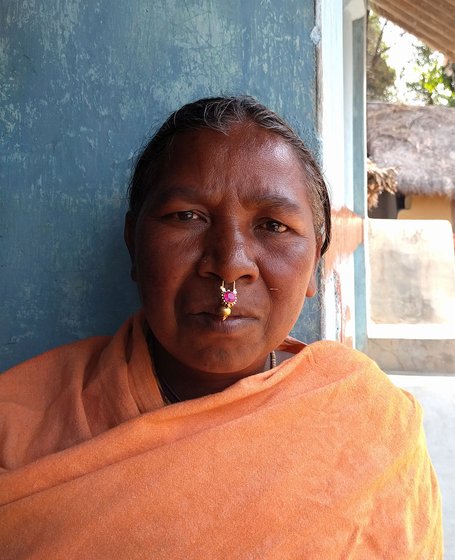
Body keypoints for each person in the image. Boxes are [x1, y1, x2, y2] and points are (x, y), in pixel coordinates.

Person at [0, 96, 442, 558]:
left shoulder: (370, 425)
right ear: (134, 244)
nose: (229, 265)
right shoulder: (17, 428)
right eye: (187, 217)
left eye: (272, 225)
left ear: (315, 265)